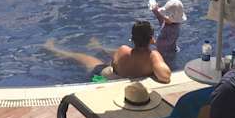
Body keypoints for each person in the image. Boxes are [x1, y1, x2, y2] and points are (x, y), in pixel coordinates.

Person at [43, 19, 171, 82]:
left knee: (83, 57)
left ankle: (52, 49)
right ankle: (99, 47)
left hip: (101, 77)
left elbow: (114, 65)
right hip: (119, 77)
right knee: (116, 56)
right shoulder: (153, 56)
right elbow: (165, 76)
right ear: (151, 39)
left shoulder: (123, 50)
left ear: (132, 38)